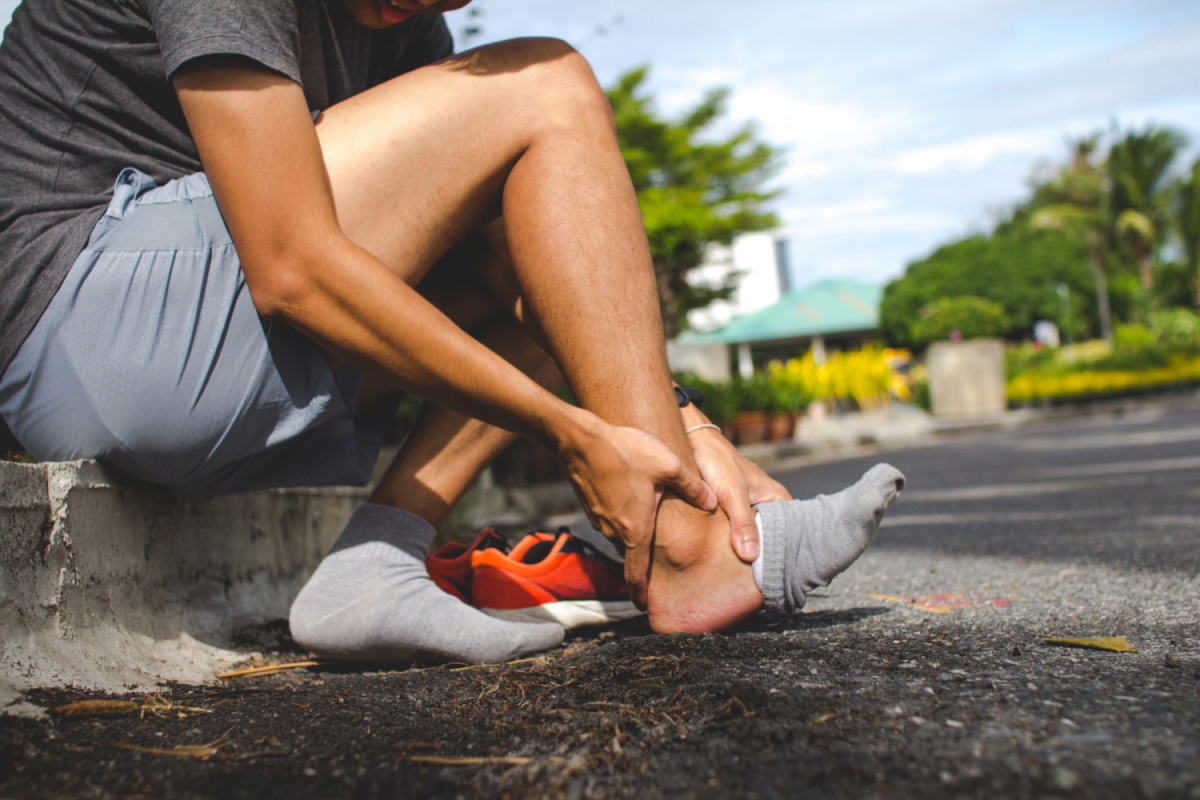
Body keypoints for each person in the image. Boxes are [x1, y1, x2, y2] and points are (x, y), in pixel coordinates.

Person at [0, 0, 904, 665]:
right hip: (78, 318)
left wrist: (684, 426)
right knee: (547, 86)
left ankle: (382, 556)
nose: (433, 5)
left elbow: (552, 280)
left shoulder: (405, 20)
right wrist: (573, 433)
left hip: (190, 347)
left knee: (542, 249)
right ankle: (682, 549)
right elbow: (291, 265)